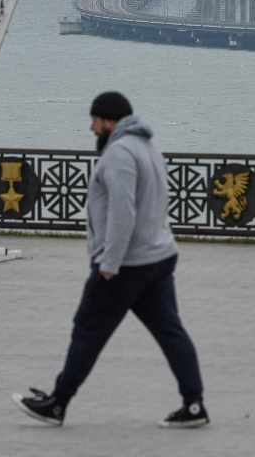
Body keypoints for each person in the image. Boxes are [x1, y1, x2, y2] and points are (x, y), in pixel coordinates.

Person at [13, 91, 207, 428]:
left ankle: (57, 403)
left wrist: (109, 263)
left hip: (126, 265)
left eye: (95, 121)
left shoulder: (119, 153)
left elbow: (122, 212)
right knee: (171, 331)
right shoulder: (149, 146)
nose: (91, 127)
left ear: (109, 122)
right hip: (158, 256)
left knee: (87, 330)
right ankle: (193, 406)